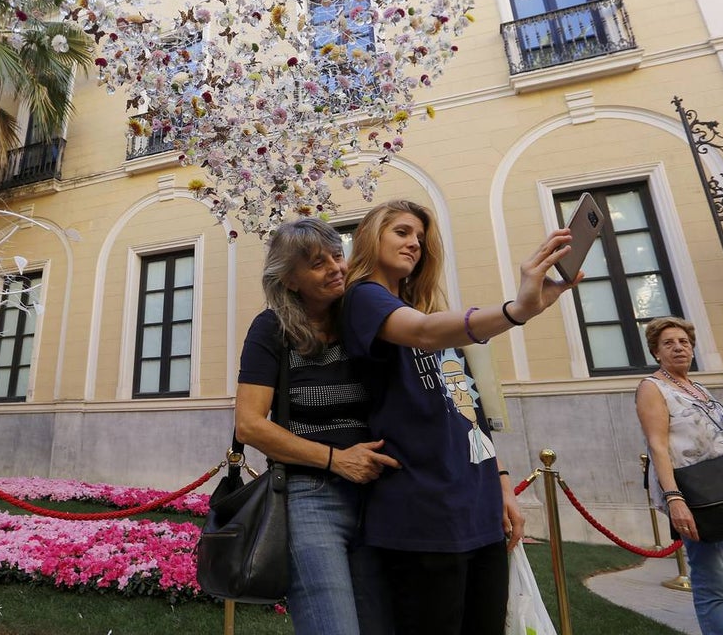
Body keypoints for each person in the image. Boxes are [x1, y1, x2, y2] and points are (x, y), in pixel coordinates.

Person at [340, 199, 579, 635]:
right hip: (422, 512)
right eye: (402, 231)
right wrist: (517, 310)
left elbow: (469, 411)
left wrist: (502, 482)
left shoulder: (431, 315)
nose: (414, 243)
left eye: (420, 237)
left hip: (478, 507)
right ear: (371, 235)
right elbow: (420, 332)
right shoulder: (363, 299)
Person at [235, 217, 400, 635]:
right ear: (290, 280)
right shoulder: (272, 329)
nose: (335, 268)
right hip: (312, 498)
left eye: (337, 255)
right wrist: (337, 460)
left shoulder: (360, 321)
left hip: (382, 497)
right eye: (317, 263)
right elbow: (250, 425)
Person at [636, 317, 723, 635]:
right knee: (713, 588)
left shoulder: (699, 389)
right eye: (668, 343)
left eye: (684, 342)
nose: (678, 347)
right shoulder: (653, 388)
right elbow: (658, 446)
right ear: (656, 352)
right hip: (697, 499)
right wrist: (674, 499)